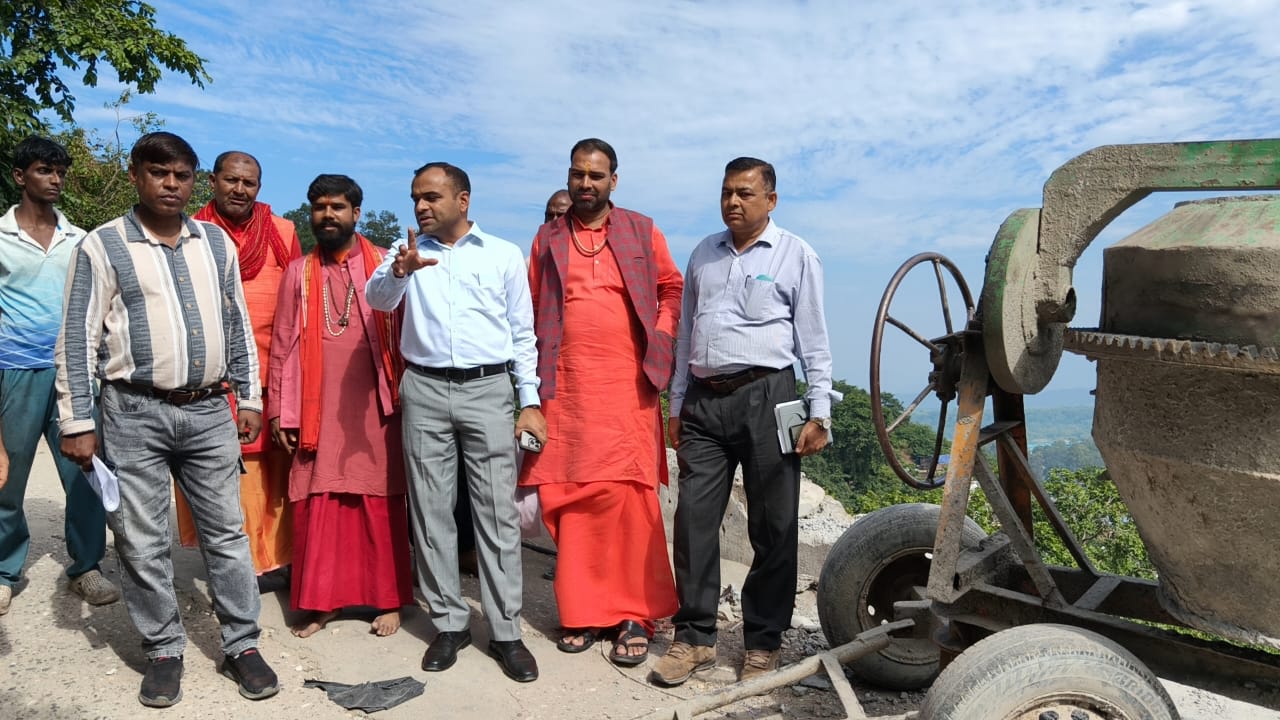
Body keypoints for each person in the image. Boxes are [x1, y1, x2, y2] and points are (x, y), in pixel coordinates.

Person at [55, 132, 278, 707]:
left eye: (181, 175)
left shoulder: (215, 244)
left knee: (226, 533)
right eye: (159, 173)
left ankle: (242, 643)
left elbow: (236, 327)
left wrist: (248, 400)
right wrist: (77, 420)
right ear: (136, 175)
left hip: (207, 410)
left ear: (193, 180)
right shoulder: (103, 246)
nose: (171, 184)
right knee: (142, 538)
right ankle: (163, 650)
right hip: (133, 411)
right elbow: (77, 338)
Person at [652, 157, 837, 686]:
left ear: (770, 200)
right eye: (727, 192)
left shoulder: (795, 254)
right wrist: (677, 404)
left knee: (773, 525)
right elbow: (687, 333)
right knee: (693, 521)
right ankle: (693, 638)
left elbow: (814, 339)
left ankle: (762, 641)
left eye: (746, 193)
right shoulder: (703, 255)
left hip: (769, 396)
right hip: (705, 403)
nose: (734, 202)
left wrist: (818, 411)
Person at [366, 161, 541, 683]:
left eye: (432, 197)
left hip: (488, 388)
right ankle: (449, 622)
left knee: (496, 510)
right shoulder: (403, 254)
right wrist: (399, 270)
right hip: (422, 387)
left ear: (463, 201)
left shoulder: (504, 255)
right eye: (416, 197)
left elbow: (523, 335)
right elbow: (377, 301)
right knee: (430, 508)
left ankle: (506, 629)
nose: (421, 206)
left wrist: (527, 399)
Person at [522, 138, 681, 666]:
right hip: (565, 387)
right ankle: (585, 610)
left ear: (614, 180)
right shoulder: (546, 239)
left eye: (595, 175)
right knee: (570, 499)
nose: (585, 184)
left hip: (628, 388)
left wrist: (659, 339)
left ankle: (635, 613)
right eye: (577, 175)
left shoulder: (640, 228)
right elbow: (528, 310)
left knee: (628, 500)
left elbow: (671, 288)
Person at [267, 174, 412, 638]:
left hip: (376, 402)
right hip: (317, 407)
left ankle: (387, 600)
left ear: (357, 213)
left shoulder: (384, 266)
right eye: (319, 207)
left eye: (337, 207)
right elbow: (283, 345)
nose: (327, 215)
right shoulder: (298, 273)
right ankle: (322, 602)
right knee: (320, 498)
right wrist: (280, 411)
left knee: (379, 499)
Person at [0, 136, 118, 615]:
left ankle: (86, 566)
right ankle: (5, 569)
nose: (55, 180)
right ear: (20, 176)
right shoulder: (1, 236)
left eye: (60, 172)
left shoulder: (81, 239)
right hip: (14, 370)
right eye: (45, 170)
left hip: (73, 372)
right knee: (8, 475)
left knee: (84, 471)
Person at [173, 151, 301, 593]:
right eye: (231, 180)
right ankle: (234, 559)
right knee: (219, 469)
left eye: (249, 183)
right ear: (213, 181)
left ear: (259, 188)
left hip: (272, 370)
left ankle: (277, 559)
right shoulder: (190, 231)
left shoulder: (282, 231)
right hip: (210, 375)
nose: (239, 189)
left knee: (274, 470)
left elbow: (300, 298)